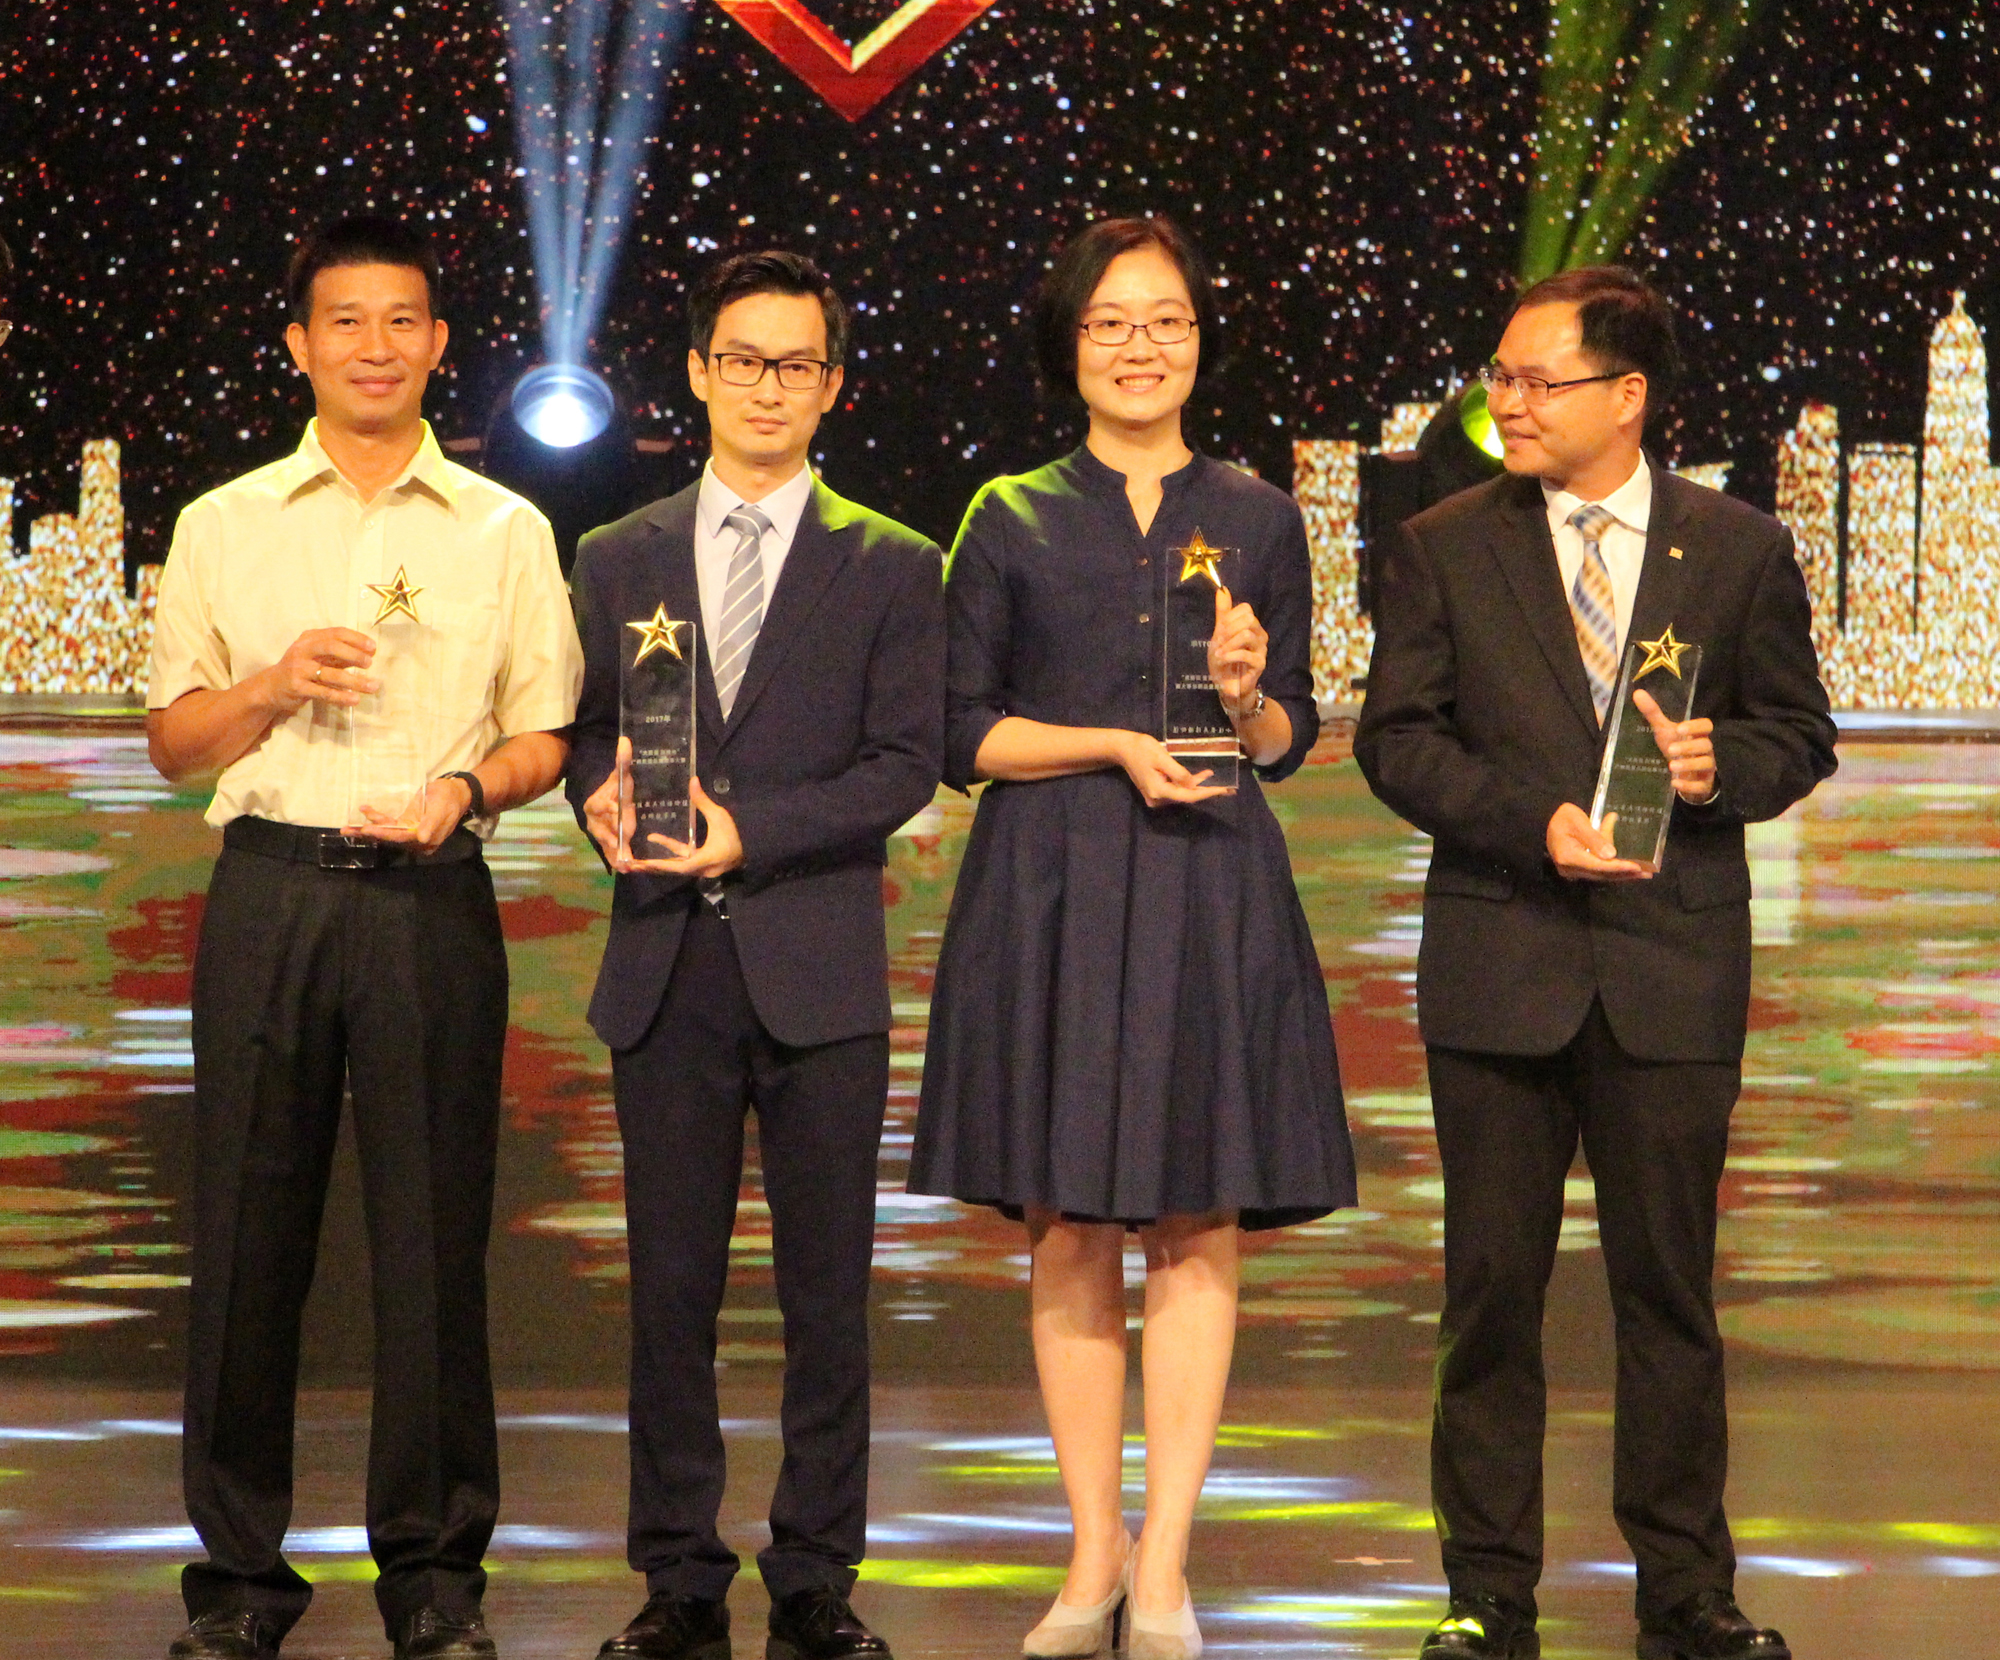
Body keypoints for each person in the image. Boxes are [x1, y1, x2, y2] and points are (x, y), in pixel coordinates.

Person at [1353, 266, 1836, 1660]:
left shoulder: (1737, 548)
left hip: (1668, 972)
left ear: (1628, 397)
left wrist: (1716, 769)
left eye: (1536, 381)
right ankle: (1485, 1596)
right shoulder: (1446, 544)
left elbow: (1798, 734)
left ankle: (1686, 1592)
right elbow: (1398, 739)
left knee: (1667, 1297)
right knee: (1489, 1299)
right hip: (1501, 968)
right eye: (1498, 378)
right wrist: (1533, 823)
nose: (1507, 403)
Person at [907, 216, 1356, 1660]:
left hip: (1211, 880)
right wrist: (1106, 743)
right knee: (1070, 1219)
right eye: (1110, 322)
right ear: (1071, 345)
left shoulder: (1262, 515)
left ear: (1201, 341)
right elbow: (959, 732)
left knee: (1200, 1218)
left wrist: (1246, 696)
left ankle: (1166, 1567)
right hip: (1050, 883)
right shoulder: (1009, 513)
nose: (1140, 346)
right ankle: (1091, 1552)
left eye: (1166, 320)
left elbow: (1287, 737)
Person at [145, 215, 582, 1660]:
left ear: (439, 345)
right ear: (299, 346)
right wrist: (272, 685)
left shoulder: (508, 530)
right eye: (346, 321)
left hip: (428, 901)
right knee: (244, 1242)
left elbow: (547, 734)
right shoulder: (223, 524)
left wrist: (468, 790)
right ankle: (238, 1583)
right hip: (269, 894)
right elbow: (173, 746)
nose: (375, 347)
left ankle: (436, 1582)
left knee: (434, 1246)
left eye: (403, 321)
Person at [567, 250, 944, 1660]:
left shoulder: (895, 562)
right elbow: (586, 738)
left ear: (832, 386)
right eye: (743, 359)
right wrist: (597, 798)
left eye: (795, 364)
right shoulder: (617, 555)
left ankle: (816, 1577)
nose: (766, 386)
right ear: (698, 372)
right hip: (664, 967)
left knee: (825, 1295)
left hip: (820, 972)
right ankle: (675, 1577)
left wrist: (751, 833)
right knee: (668, 1293)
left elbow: (904, 765)